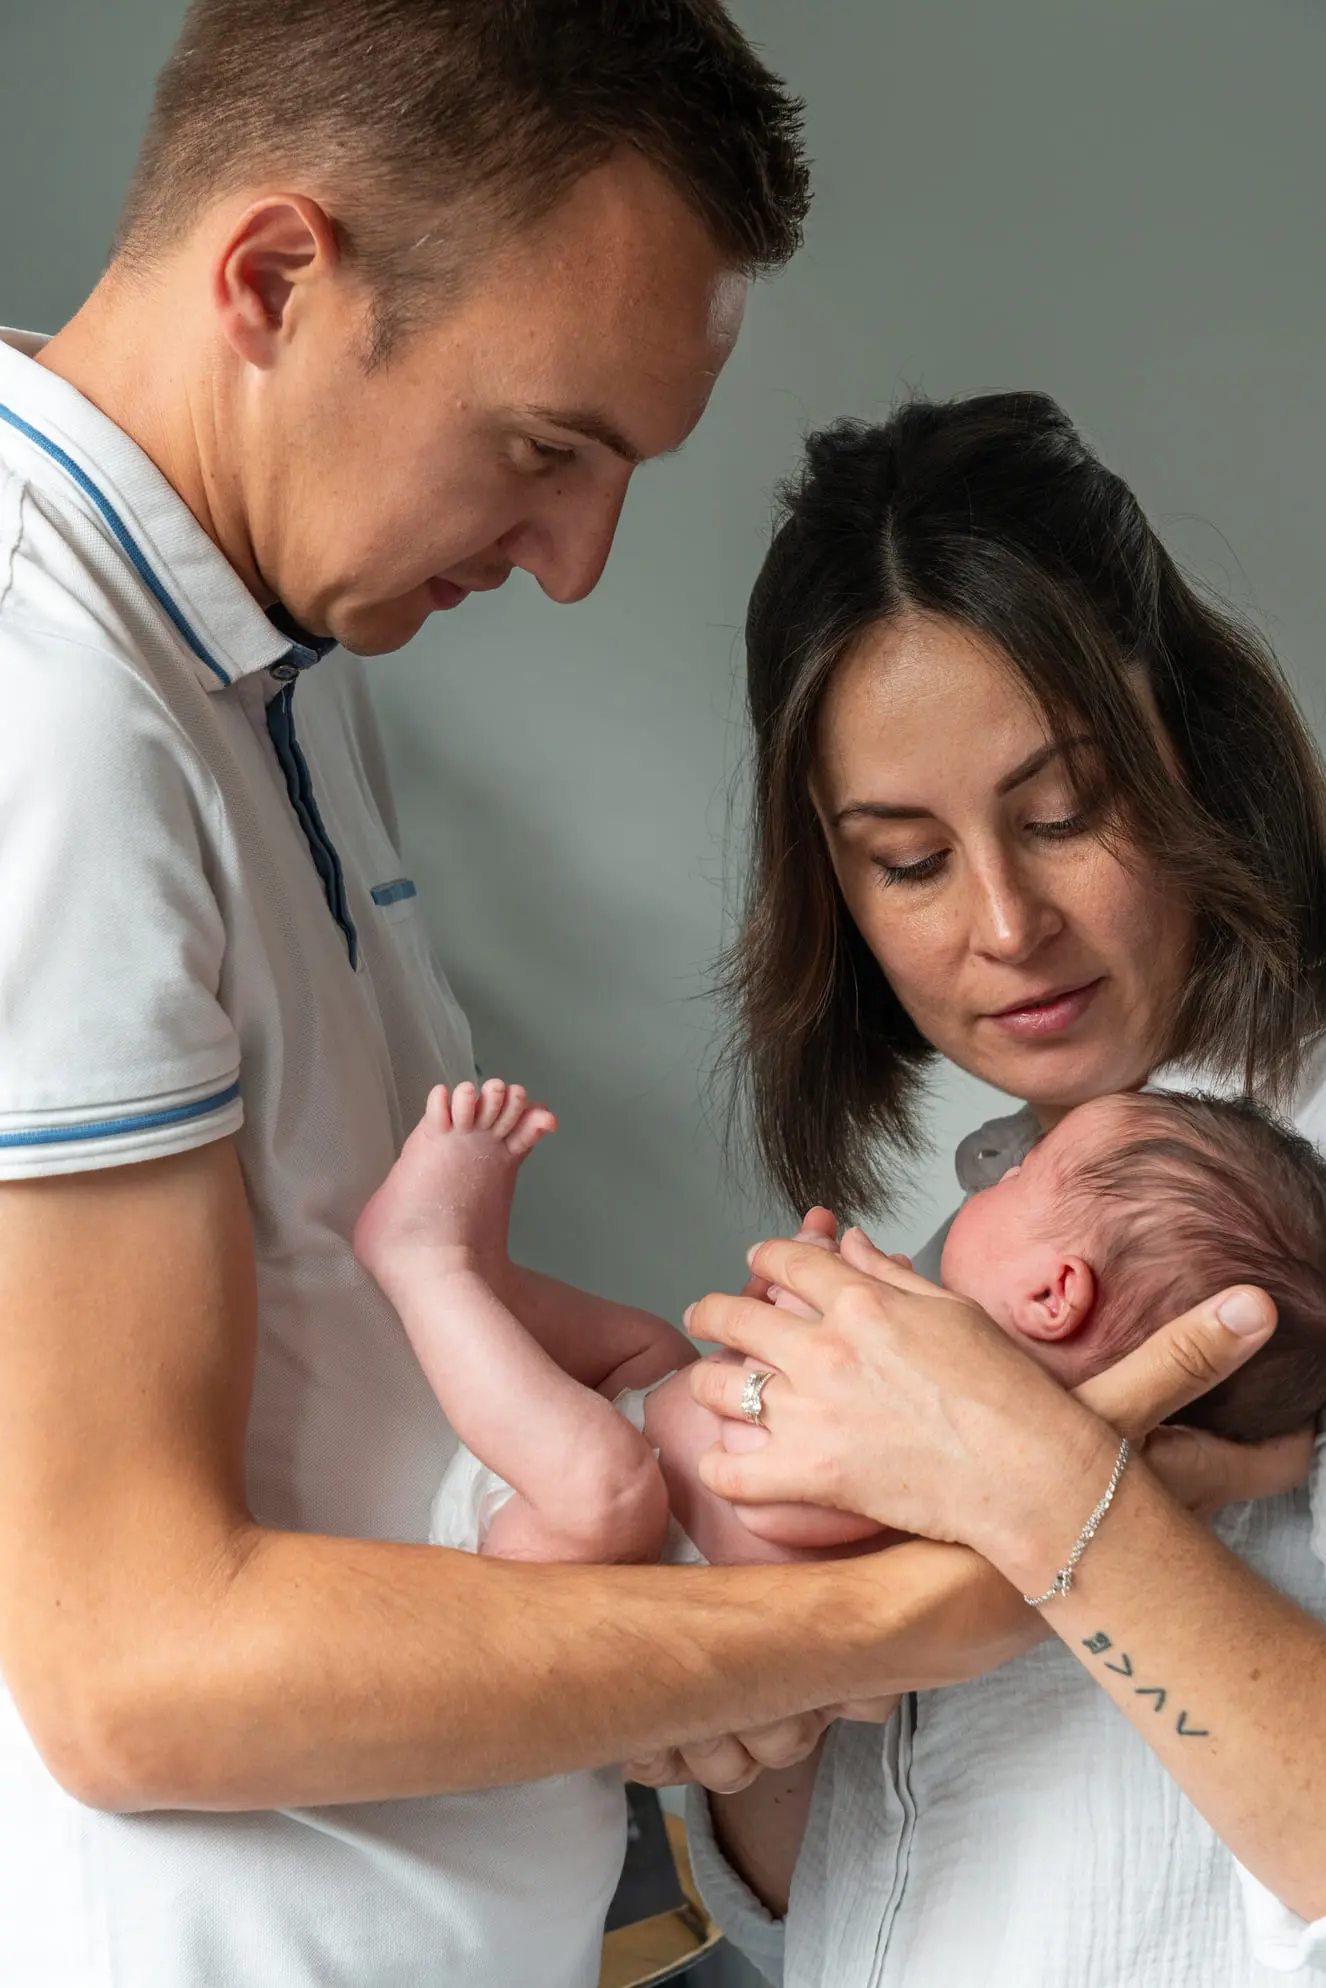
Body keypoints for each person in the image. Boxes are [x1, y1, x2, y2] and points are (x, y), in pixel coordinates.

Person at [0, 10, 1279, 1987]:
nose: (580, 564)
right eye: (543, 449)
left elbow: (371, 1342)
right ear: (272, 279)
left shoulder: (284, 672)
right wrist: (922, 1595)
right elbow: (132, 1667)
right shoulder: (51, 716)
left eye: (1060, 812)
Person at [653, 391, 1326, 1986]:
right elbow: (798, 1892)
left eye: (1060, 813)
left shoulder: (1276, 1248)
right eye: (906, 859)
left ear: (1189, 751)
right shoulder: (966, 1267)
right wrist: (760, 1689)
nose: (1004, 924)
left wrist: (1036, 1493)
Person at [360, 1080, 1326, 1572]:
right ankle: (481, 1291)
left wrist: (791, 1364)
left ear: (1053, 1295)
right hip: (631, 1428)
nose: (990, 1169)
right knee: (646, 1350)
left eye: (1025, 1177)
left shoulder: (973, 1450)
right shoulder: (945, 1347)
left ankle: (428, 1267)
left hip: (556, 1562)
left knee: (605, 1483)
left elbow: (779, 1500)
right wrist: (797, 1320)